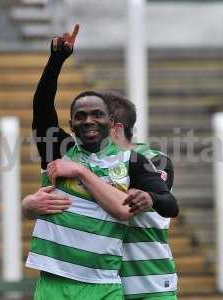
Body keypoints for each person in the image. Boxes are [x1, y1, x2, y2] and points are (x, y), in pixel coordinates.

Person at [24, 25, 178, 300]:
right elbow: (42, 111)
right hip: (78, 278)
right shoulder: (62, 152)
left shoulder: (144, 160)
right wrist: (28, 205)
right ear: (71, 124)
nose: (89, 121)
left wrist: (150, 198)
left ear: (113, 124)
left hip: (144, 281)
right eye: (81, 116)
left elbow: (165, 205)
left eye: (98, 114)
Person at [102, 91, 178, 300]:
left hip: (150, 282)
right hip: (101, 285)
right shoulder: (88, 162)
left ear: (114, 129)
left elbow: (154, 197)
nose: (87, 127)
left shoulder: (156, 160)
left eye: (96, 120)